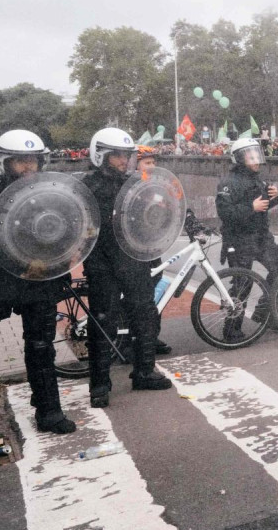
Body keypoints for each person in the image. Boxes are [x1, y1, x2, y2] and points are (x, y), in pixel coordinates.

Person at [0, 130, 78, 433]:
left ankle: (49, 412)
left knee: (41, 348)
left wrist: (61, 273)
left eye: (33, 161)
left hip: (37, 281)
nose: (29, 167)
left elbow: (64, 240)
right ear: (3, 162)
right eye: (21, 161)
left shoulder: (52, 198)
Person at [82, 128, 173, 408]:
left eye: (126, 156)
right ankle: (99, 384)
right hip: (102, 262)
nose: (124, 161)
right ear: (101, 155)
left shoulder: (135, 183)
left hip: (133, 258)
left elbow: (150, 217)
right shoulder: (85, 186)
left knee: (144, 313)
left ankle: (144, 371)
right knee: (103, 320)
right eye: (117, 156)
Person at [216, 136, 278, 338]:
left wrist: (275, 196)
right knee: (242, 283)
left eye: (257, 155)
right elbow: (225, 213)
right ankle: (232, 330)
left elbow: (263, 206)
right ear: (239, 159)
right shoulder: (229, 183)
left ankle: (265, 313)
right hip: (238, 238)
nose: (256, 160)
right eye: (251, 157)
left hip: (261, 236)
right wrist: (251, 207)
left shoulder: (258, 179)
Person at [135, 144, 171, 356]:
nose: (151, 166)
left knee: (155, 291)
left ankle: (151, 335)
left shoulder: (155, 185)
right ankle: (134, 338)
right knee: (140, 296)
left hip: (152, 247)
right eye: (147, 162)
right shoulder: (131, 187)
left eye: (153, 162)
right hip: (136, 250)